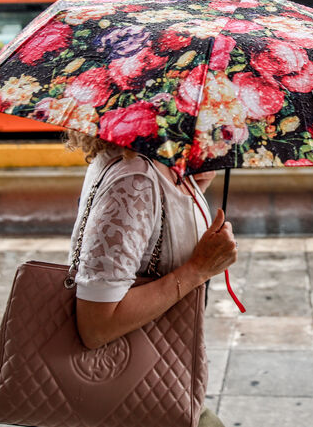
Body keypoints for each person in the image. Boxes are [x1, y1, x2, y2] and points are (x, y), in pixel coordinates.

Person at [65, 130, 237, 427]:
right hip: (130, 389)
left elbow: (154, 241)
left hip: (163, 375)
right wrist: (198, 269)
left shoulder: (157, 165)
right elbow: (96, 326)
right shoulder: (134, 179)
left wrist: (191, 186)